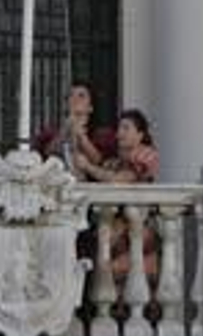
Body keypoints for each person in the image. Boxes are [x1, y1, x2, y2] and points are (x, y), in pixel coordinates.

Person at [73, 109, 161, 286]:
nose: (119, 133)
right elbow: (100, 162)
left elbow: (118, 180)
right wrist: (81, 138)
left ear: (140, 135)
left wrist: (88, 167)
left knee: (116, 272)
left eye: (126, 128)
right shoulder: (117, 160)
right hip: (115, 227)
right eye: (119, 128)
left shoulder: (146, 155)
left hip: (135, 230)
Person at [34, 81, 115, 177]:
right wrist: (65, 129)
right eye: (71, 95)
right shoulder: (52, 131)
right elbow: (47, 154)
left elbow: (99, 160)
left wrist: (81, 137)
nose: (75, 99)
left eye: (81, 96)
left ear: (90, 107)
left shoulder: (102, 134)